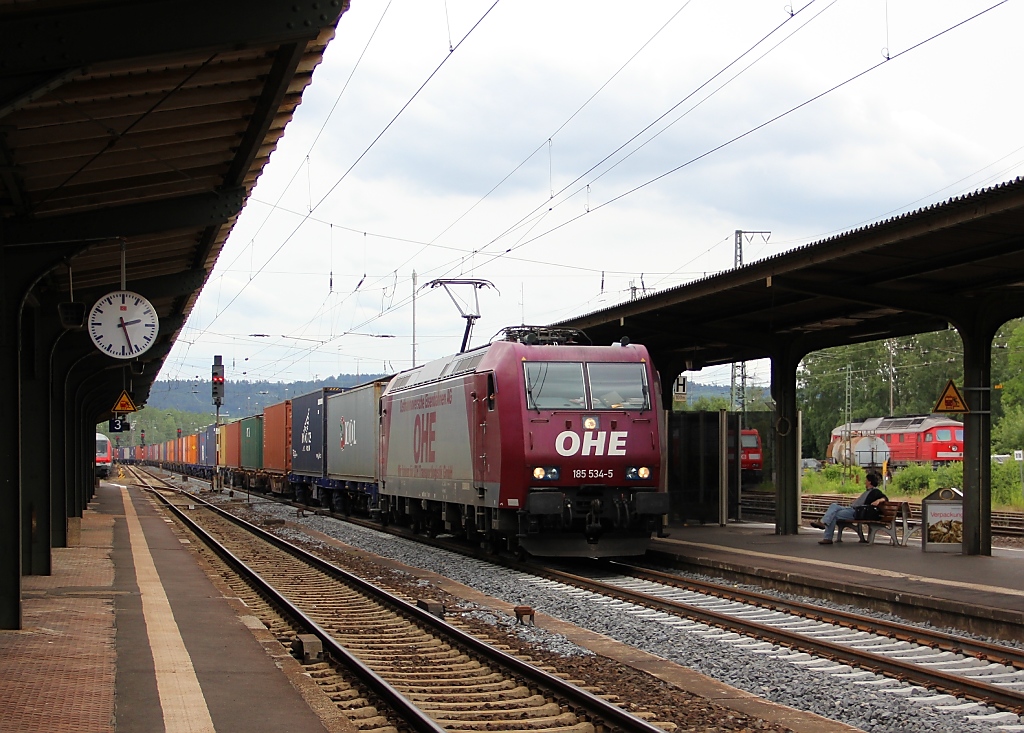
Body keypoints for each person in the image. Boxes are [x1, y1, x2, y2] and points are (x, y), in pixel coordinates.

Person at [810, 472, 888, 545]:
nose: (865, 482)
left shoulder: (875, 491)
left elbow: (885, 498)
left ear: (869, 482)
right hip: (851, 509)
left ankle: (826, 534)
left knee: (833, 515)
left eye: (866, 480)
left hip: (856, 512)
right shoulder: (867, 491)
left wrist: (879, 500)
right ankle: (824, 526)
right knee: (833, 506)